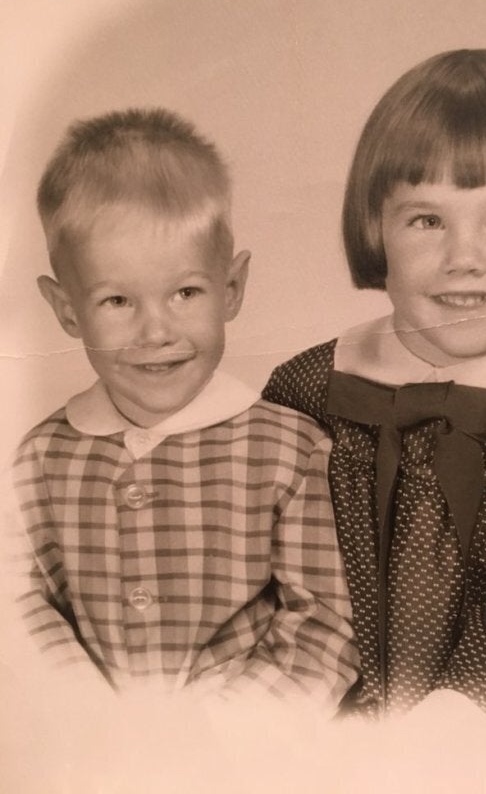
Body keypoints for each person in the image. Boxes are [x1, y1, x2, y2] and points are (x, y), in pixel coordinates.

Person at [262, 48, 486, 726]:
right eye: (428, 220)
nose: (465, 258)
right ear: (378, 228)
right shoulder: (309, 388)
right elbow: (261, 570)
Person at [11, 107, 358, 709]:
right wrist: (83, 716)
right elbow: (17, 606)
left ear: (231, 289)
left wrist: (215, 740)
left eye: (185, 293)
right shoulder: (39, 458)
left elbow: (325, 622)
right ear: (67, 309)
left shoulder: (289, 450)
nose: (156, 332)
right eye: (117, 299)